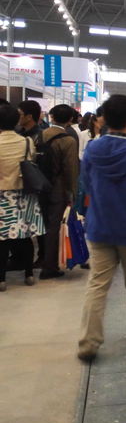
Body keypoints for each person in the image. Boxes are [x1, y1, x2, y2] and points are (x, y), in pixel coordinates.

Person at [77, 95, 126, 361]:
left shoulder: (92, 149)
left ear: (104, 119)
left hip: (99, 227)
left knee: (97, 283)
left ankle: (89, 341)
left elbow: (87, 185)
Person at [0, 104, 45, 291]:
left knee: (2, 239)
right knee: (25, 235)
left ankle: (2, 279)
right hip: (24, 195)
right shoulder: (26, 142)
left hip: (2, 195)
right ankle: (28, 274)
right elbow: (30, 161)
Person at [39, 104, 80, 279]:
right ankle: (49, 266)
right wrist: (72, 193)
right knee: (54, 226)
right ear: (70, 119)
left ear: (52, 117)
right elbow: (71, 169)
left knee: (42, 224)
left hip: (39, 186)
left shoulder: (40, 135)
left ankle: (41, 258)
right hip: (58, 188)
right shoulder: (68, 140)